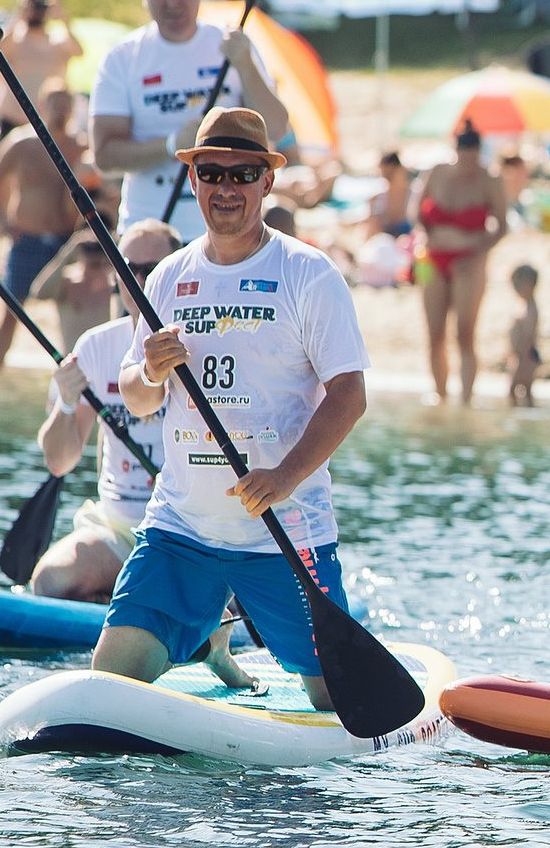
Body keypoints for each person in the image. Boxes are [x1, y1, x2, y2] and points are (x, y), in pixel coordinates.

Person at [100, 108, 370, 709]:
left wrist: (282, 478)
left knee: (335, 703)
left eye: (243, 174)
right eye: (213, 173)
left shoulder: (307, 273)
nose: (227, 188)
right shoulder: (168, 275)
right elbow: (137, 398)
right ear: (193, 180)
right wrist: (149, 369)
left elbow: (349, 396)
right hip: (181, 530)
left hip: (285, 532)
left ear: (267, 183)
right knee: (108, 683)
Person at [88, 0, 291, 243]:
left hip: (229, 231)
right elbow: (104, 155)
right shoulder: (123, 58)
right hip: (150, 230)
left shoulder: (232, 46)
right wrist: (172, 146)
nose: (172, 2)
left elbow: (276, 127)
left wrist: (246, 66)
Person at [31, 220, 179, 602]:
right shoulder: (96, 347)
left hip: (188, 528)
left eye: (154, 270)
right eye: (130, 269)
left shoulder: (201, 342)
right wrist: (66, 401)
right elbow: (59, 463)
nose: (141, 281)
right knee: (49, 582)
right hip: (120, 528)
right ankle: (125, 603)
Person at [0, 84, 86, 368]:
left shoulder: (80, 147)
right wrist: (4, 224)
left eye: (66, 103)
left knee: (73, 307)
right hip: (27, 239)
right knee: (12, 308)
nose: (61, 110)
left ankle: (77, 367)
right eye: (55, 103)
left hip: (65, 242)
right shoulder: (22, 142)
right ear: (41, 105)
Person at [413, 124, 507, 405]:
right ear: (456, 152)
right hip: (433, 257)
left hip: (470, 260)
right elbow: (416, 213)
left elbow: (502, 227)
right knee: (434, 333)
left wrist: (475, 253)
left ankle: (466, 399)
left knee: (465, 333)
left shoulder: (490, 179)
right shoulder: (438, 172)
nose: (468, 164)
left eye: (473, 157)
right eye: (464, 157)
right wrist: (425, 237)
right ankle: (440, 395)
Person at [0, 0, 82, 129]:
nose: (35, 13)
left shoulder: (57, 39)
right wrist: (18, 16)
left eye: (39, 8)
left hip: (46, 122)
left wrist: (64, 19)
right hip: (12, 117)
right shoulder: (15, 37)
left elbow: (78, 52)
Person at [506, 264, 542, 408]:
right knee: (520, 390)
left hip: (525, 357)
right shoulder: (523, 306)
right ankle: (521, 413)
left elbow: (529, 336)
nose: (516, 288)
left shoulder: (532, 308)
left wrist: (523, 357)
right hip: (519, 357)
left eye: (519, 284)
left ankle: (522, 413)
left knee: (518, 389)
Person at [369, 151, 413, 240]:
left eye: (390, 173)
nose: (387, 178)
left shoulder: (414, 195)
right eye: (385, 174)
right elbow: (373, 230)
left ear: (399, 170)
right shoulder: (378, 198)